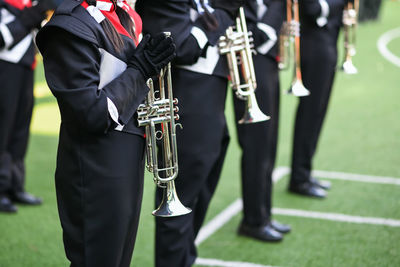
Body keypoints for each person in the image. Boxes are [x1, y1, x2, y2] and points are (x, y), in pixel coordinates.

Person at [35, 0, 175, 265]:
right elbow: (91, 113)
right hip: (95, 164)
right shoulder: (68, 27)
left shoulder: (124, 15)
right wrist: (140, 69)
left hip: (126, 153)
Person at [135, 0, 242, 266]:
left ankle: (184, 259)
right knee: (180, 198)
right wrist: (222, 16)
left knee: (202, 188)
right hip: (185, 105)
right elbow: (180, 46)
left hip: (210, 100)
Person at [234, 0, 291, 242]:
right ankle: (254, 220)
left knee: (268, 143)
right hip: (250, 62)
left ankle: (263, 214)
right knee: (257, 145)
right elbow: (252, 31)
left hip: (266, 61)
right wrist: (273, 23)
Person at [0, 0, 57, 212]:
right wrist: (32, 14)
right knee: (3, 129)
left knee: (20, 130)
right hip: (4, 67)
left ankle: (15, 185)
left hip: (25, 67)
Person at [288, 0, 345, 198]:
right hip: (315, 45)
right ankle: (299, 178)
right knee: (310, 115)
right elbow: (312, 8)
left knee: (318, 114)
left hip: (327, 42)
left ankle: (305, 172)